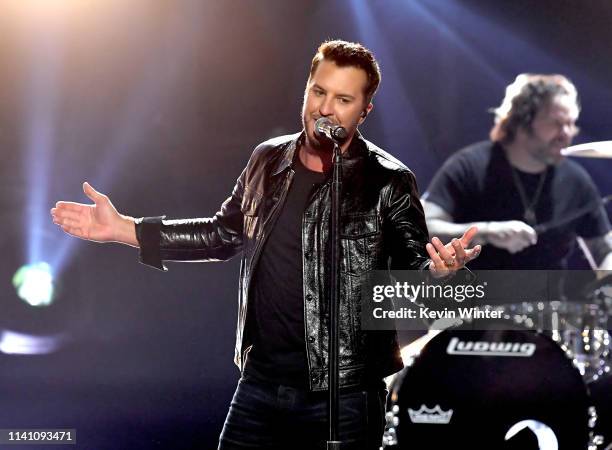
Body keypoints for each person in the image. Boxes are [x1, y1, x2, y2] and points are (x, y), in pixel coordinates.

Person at [51, 40, 480, 450]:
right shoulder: (267, 160)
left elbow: (414, 267)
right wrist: (125, 229)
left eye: (343, 100)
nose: (325, 108)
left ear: (364, 111)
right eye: (318, 91)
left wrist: (443, 275)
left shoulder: (387, 180)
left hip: (344, 396)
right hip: (260, 384)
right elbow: (222, 234)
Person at [423, 73, 612, 271]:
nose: (566, 133)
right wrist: (487, 232)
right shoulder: (469, 166)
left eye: (570, 124)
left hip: (552, 300)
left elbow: (604, 249)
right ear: (522, 122)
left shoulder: (575, 180)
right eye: (557, 123)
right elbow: (420, 227)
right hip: (474, 296)